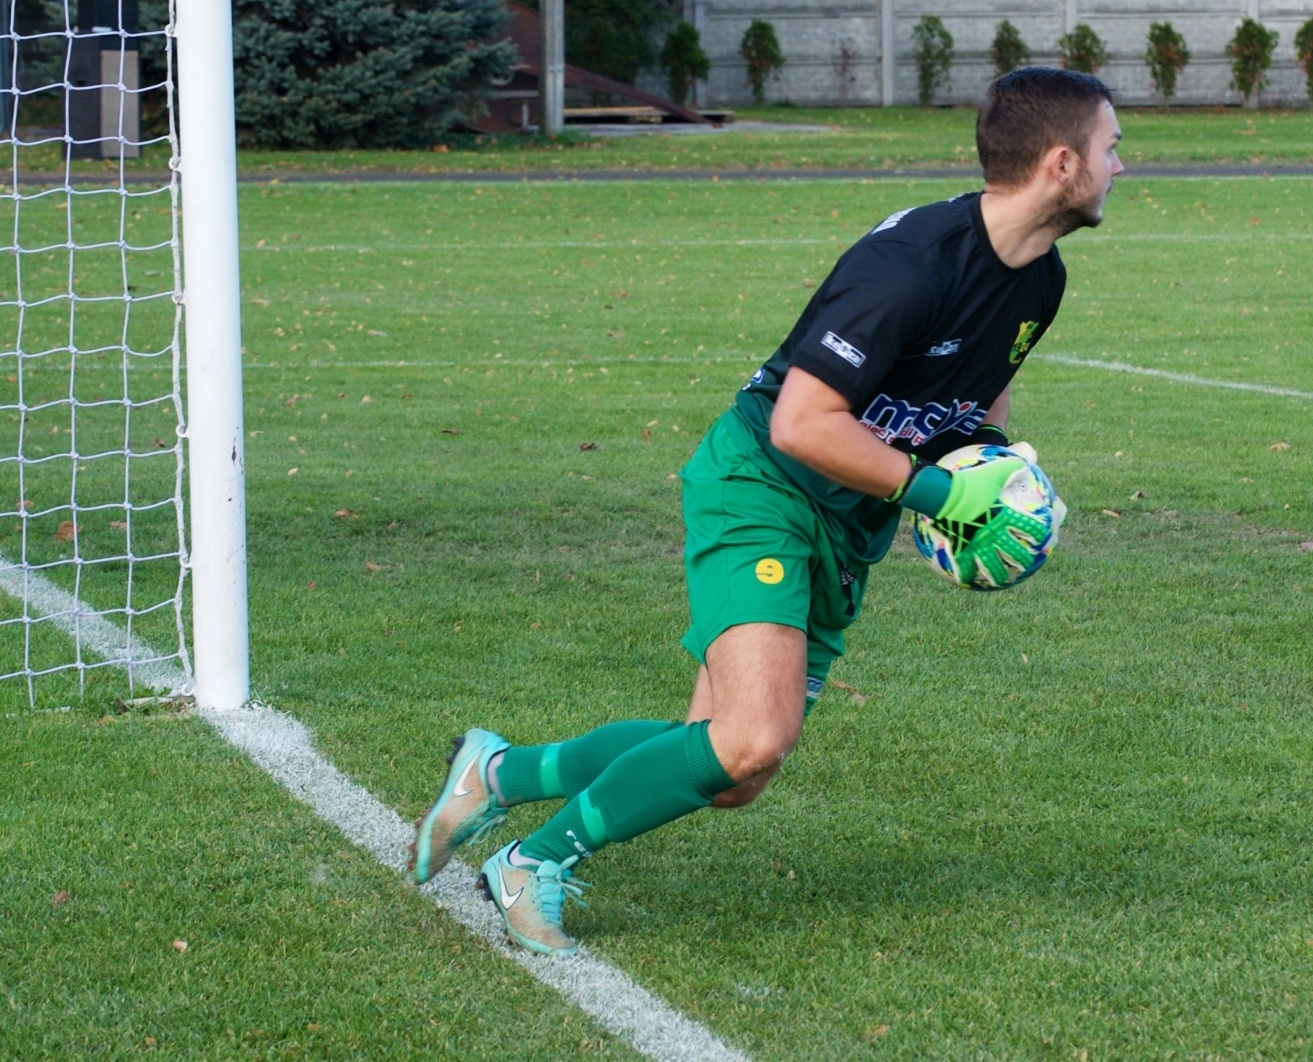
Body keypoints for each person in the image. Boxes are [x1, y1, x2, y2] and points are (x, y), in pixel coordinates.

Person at [408, 67, 1124, 955]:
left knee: (727, 765)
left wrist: (992, 479)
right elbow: (799, 423)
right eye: (1110, 147)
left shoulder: (1039, 279)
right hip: (763, 485)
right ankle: (532, 860)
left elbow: (980, 398)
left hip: (848, 519)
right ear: (1062, 164)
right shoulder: (905, 271)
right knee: (753, 740)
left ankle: (498, 770)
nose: (1121, 165)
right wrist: (941, 493)